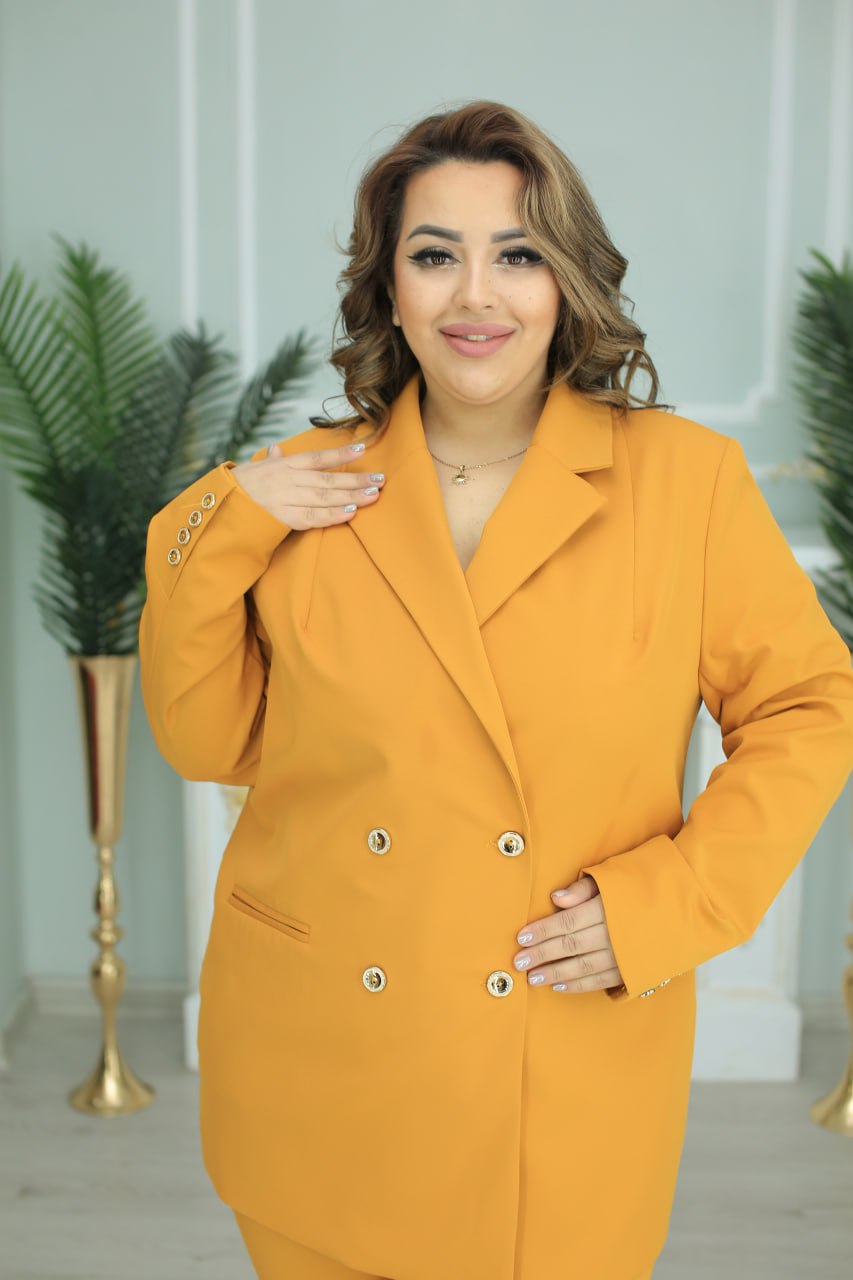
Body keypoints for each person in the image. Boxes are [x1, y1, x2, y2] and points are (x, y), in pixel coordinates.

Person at [138, 100, 853, 1280]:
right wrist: (225, 521)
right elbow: (206, 737)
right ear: (390, 286)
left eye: (516, 255)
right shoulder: (301, 487)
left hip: (554, 1061)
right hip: (321, 1058)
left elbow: (808, 707)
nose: (476, 295)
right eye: (435, 255)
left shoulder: (685, 484)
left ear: (565, 280)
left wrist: (668, 901)